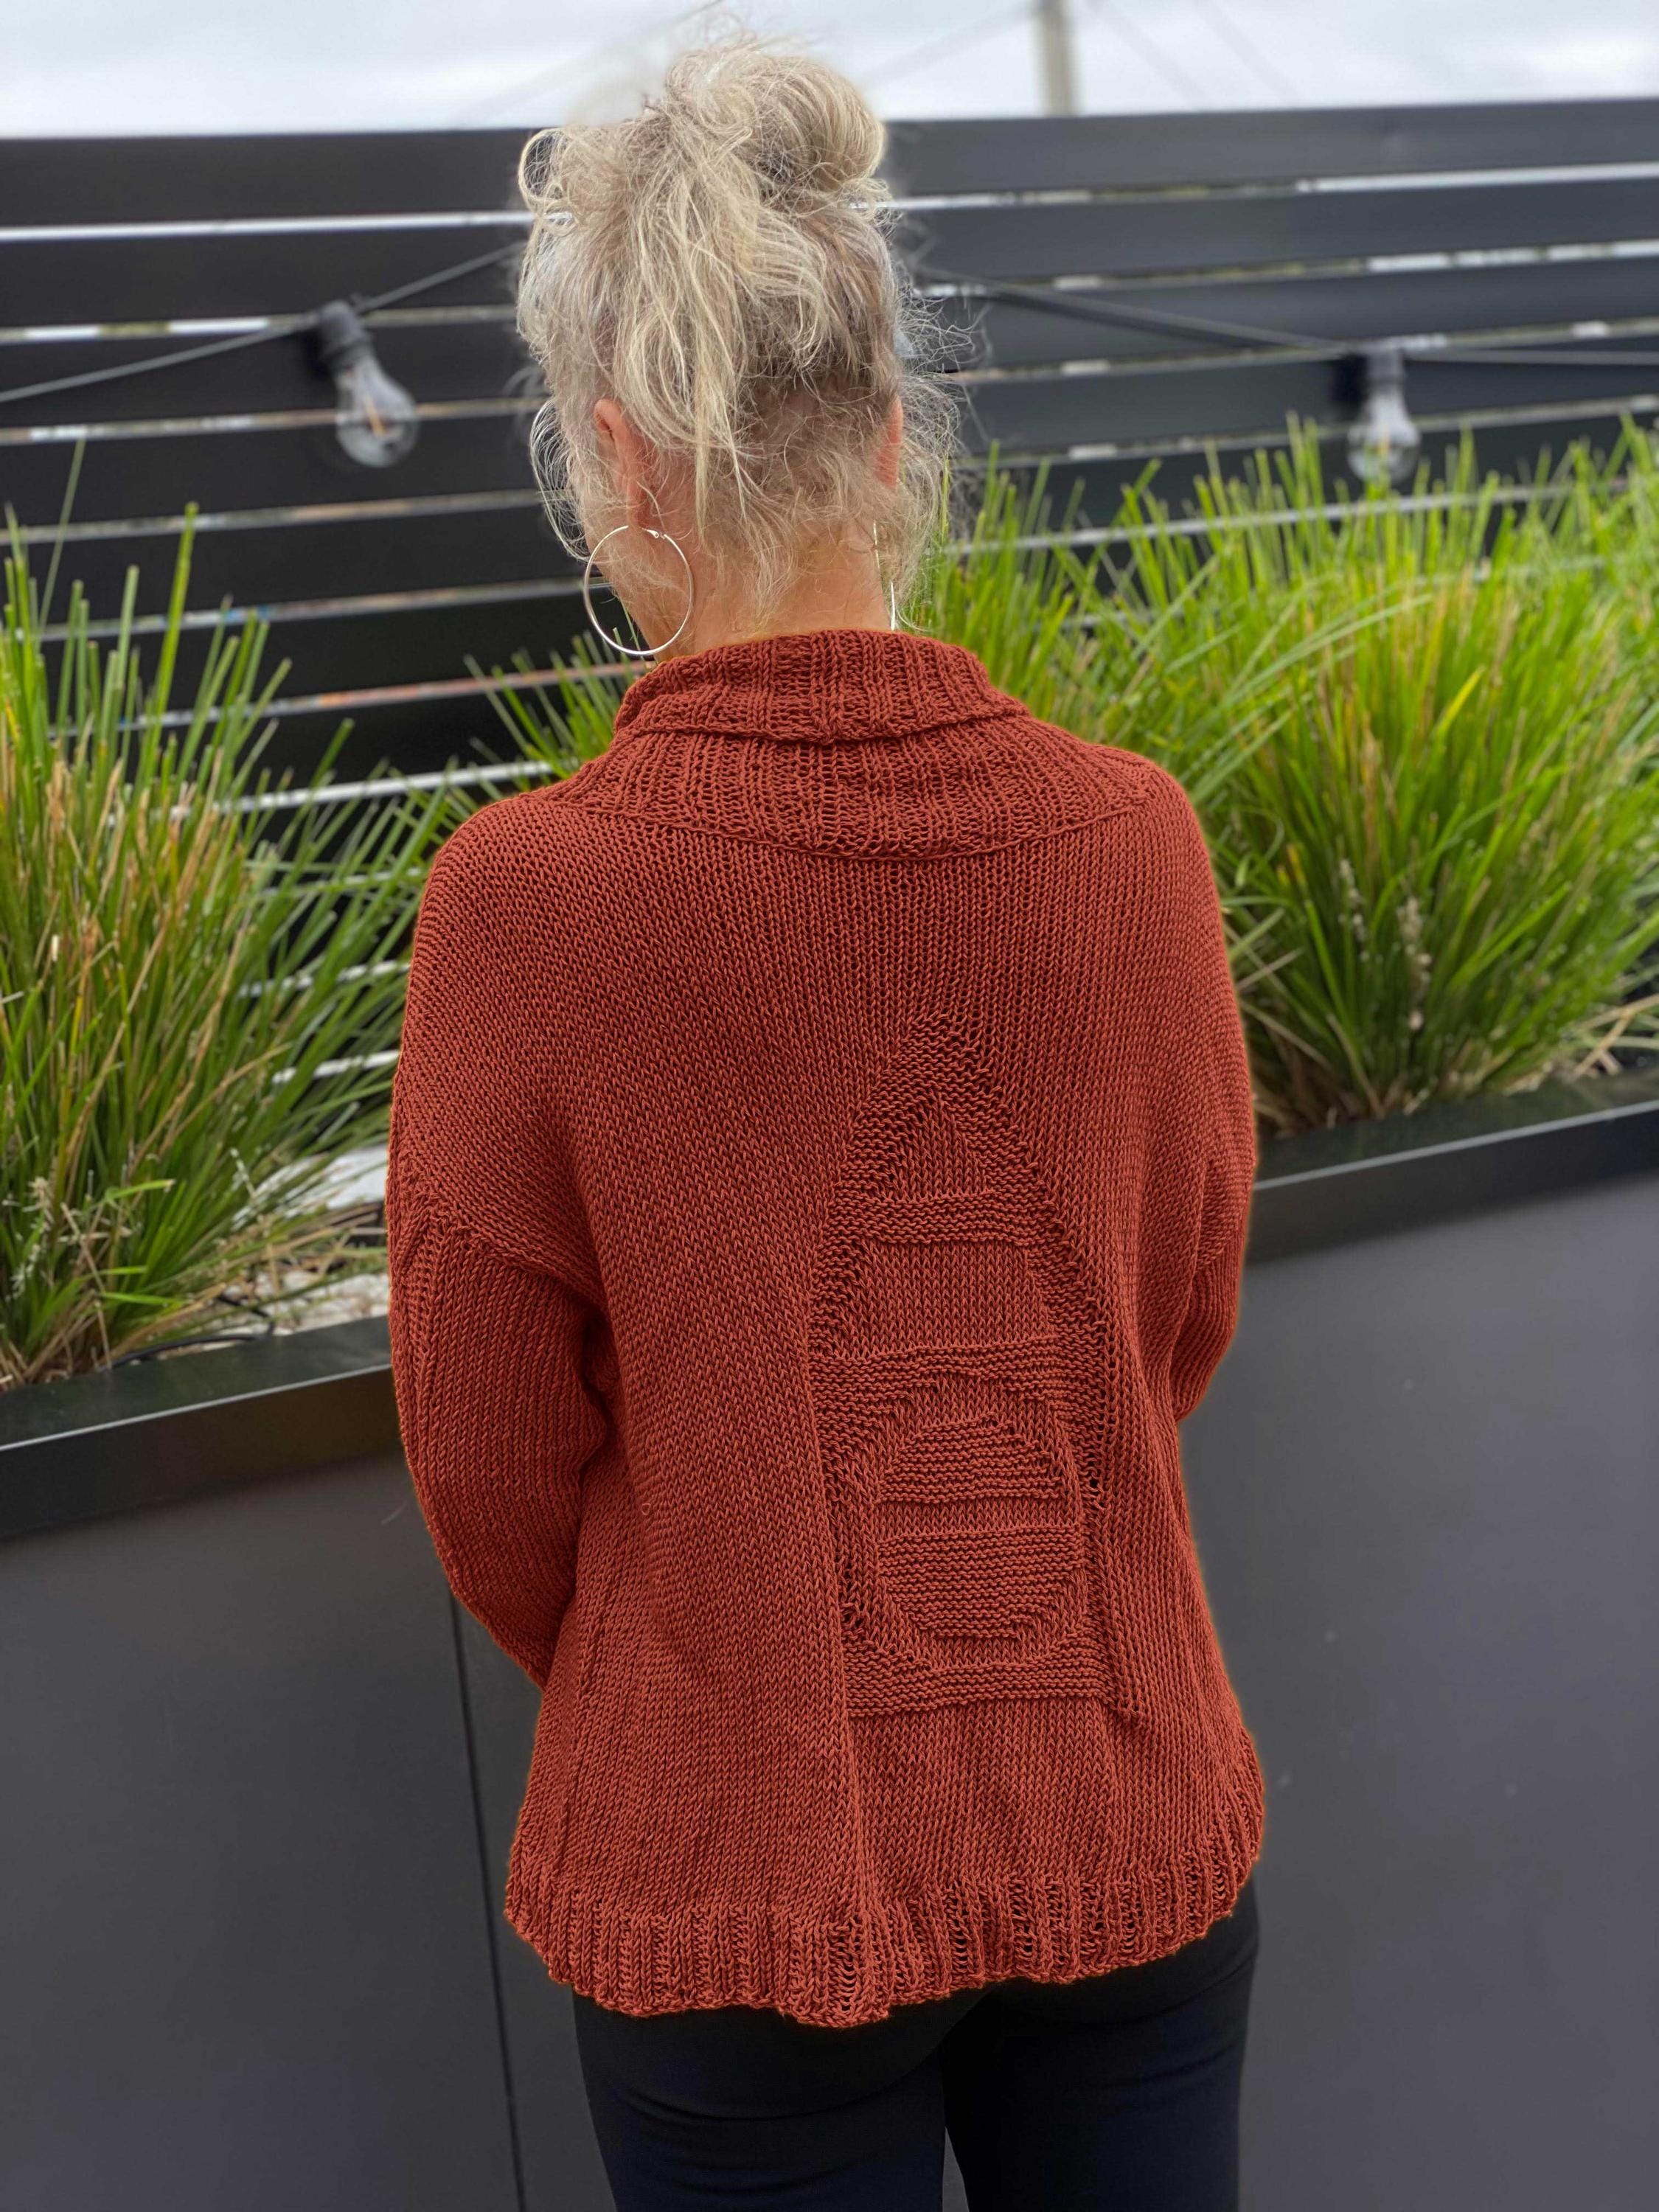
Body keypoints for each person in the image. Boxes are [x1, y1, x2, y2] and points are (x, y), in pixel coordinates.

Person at [385, 31, 1265, 2211]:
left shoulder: (528, 905)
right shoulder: (1132, 845)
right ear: (888, 440)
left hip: (732, 1880)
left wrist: (720, 1639)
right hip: (1124, 1814)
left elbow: (489, 1462)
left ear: (615, 462)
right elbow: (1170, 1321)